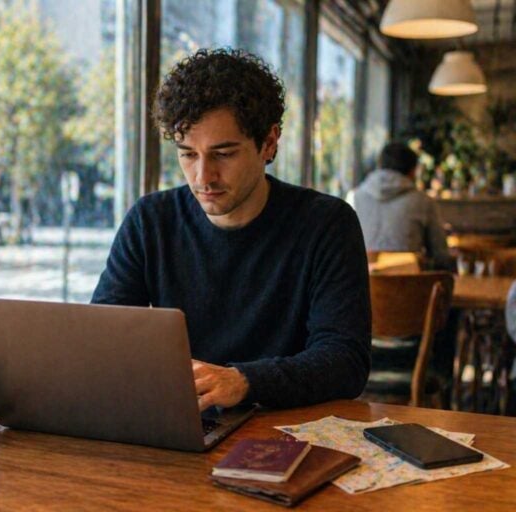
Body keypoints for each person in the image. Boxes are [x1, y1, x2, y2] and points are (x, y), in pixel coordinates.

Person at [91, 49, 371, 411]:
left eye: (223, 154)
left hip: (283, 428)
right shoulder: (150, 220)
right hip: (181, 423)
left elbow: (346, 360)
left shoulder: (327, 223)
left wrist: (244, 381)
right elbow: (103, 339)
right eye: (188, 154)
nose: (202, 177)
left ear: (269, 143)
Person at [347, 142, 453, 270]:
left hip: (361, 286)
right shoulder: (423, 201)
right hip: (409, 287)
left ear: (379, 166)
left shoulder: (354, 198)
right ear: (413, 171)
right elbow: (441, 256)